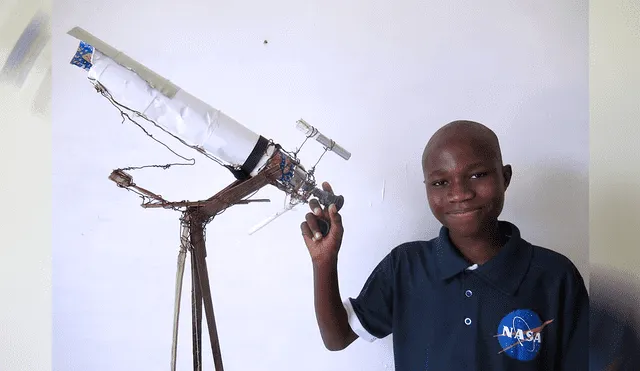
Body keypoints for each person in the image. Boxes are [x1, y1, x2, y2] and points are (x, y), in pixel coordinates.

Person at [300, 120, 589, 370]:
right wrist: (324, 262)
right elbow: (337, 338)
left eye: (477, 175)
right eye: (440, 183)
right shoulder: (405, 267)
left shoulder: (555, 276)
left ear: (505, 177)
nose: (460, 193)